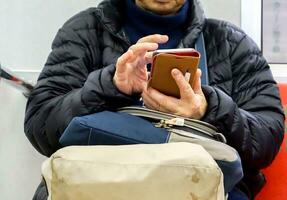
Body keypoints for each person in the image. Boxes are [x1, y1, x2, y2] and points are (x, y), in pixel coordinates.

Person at [24, 0, 285, 199]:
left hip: (200, 189)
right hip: (97, 186)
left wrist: (207, 108)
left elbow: (267, 138)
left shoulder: (230, 42)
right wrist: (110, 85)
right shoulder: (84, 31)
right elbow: (41, 124)